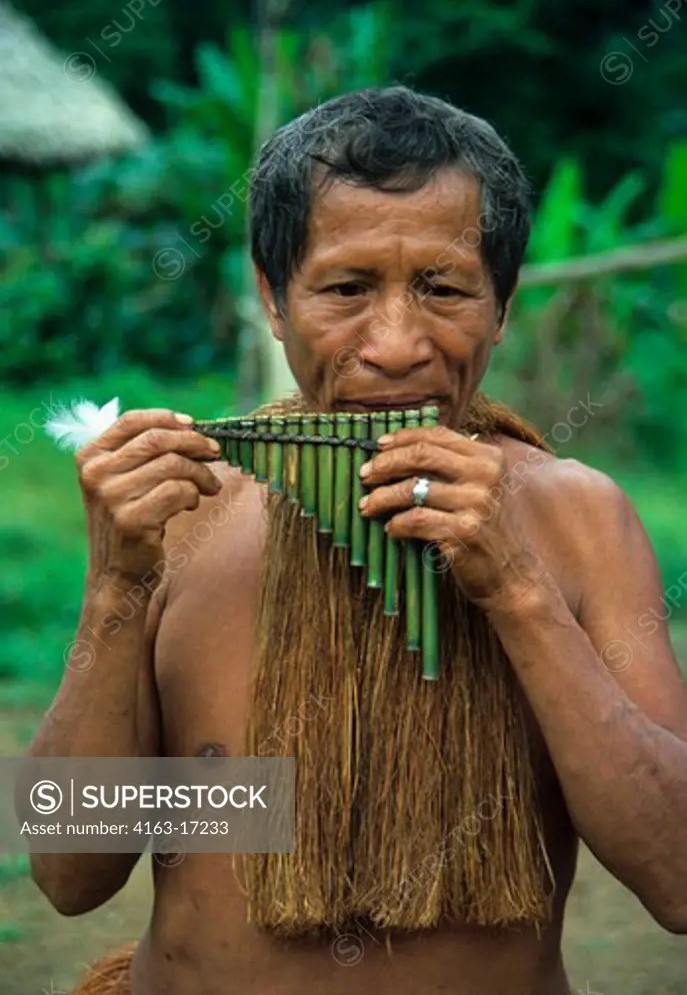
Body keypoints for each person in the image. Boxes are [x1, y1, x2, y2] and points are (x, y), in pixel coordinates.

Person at [27, 86, 687, 995]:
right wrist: (113, 590)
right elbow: (68, 873)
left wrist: (518, 592)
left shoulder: (579, 520)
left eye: (442, 288)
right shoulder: (185, 512)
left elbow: (676, 880)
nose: (396, 345)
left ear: (501, 305)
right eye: (345, 288)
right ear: (272, 298)